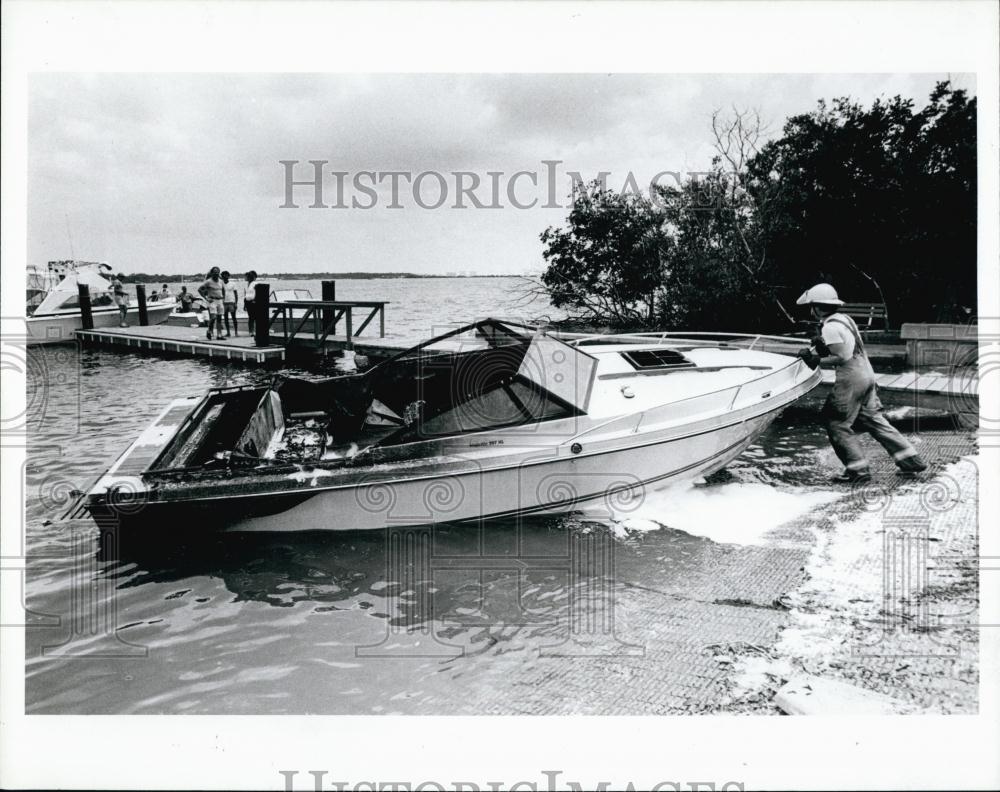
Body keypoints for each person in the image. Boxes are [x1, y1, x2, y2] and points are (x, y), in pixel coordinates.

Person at [796, 283, 927, 483]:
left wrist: (814, 360)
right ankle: (911, 460)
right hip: (867, 374)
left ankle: (857, 471)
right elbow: (847, 346)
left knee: (836, 422)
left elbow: (841, 357)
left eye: (812, 307)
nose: (811, 311)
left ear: (818, 307)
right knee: (873, 419)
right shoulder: (845, 320)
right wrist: (822, 345)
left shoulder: (830, 326)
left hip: (851, 379)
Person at [198, 267, 226, 340]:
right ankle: (209, 330)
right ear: (212, 273)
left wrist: (224, 298)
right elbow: (200, 289)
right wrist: (206, 298)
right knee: (213, 317)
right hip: (212, 300)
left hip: (220, 300)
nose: (216, 273)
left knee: (219, 318)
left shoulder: (221, 281)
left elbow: (223, 290)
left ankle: (219, 335)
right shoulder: (208, 281)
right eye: (214, 272)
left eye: (217, 272)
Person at [220, 270, 238, 338]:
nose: (225, 277)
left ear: (228, 276)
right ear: (222, 277)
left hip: (231, 302)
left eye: (226, 275)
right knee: (225, 318)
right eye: (223, 275)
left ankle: (236, 332)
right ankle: (228, 332)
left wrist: (236, 303)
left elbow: (236, 294)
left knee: (234, 317)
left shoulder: (233, 283)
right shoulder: (221, 284)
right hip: (224, 303)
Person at [244, 270, 259, 335]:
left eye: (247, 277)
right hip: (247, 302)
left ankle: (255, 331)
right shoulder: (246, 285)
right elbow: (245, 295)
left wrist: (255, 300)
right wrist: (244, 305)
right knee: (250, 317)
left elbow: (257, 293)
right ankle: (251, 331)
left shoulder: (255, 284)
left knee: (255, 317)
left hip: (253, 302)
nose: (245, 278)